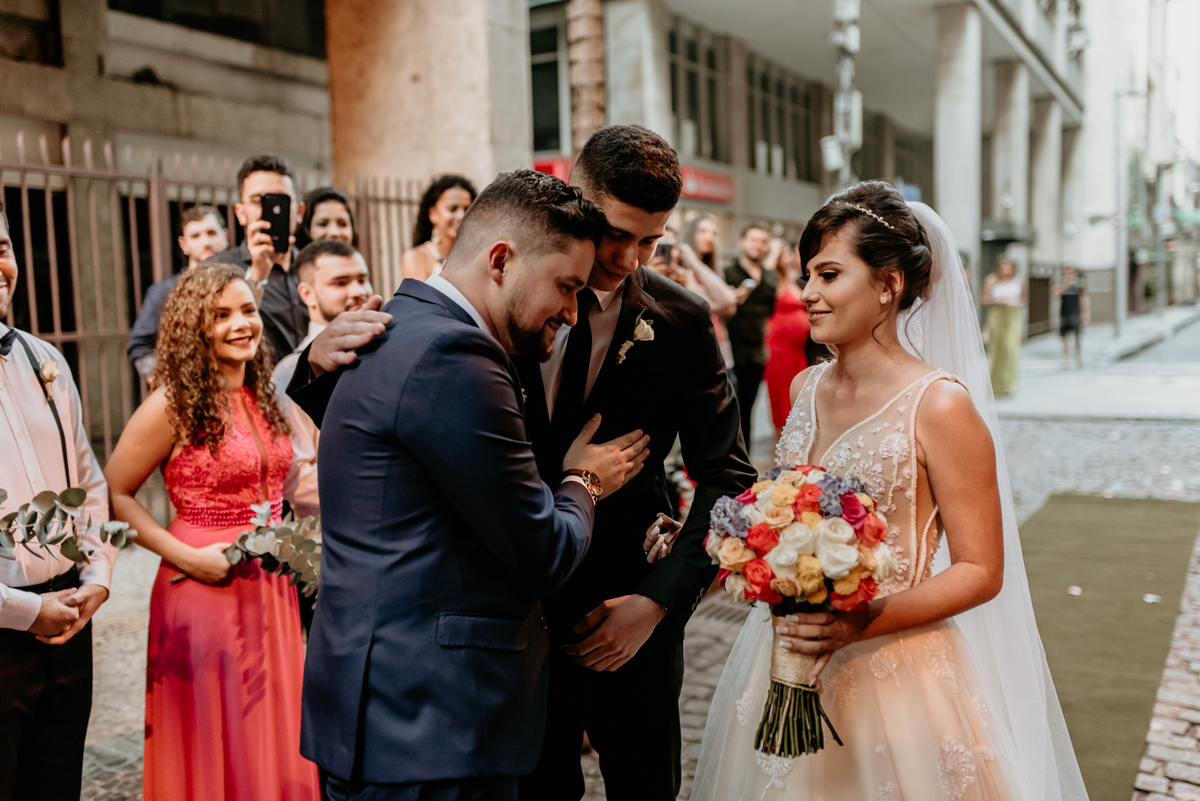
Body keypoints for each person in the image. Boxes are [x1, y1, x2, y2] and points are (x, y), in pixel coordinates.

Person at [287, 127, 757, 801]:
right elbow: (389, 415)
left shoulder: (680, 320)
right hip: (509, 623)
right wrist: (315, 361)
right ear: (576, 197)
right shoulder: (494, 304)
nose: (627, 258)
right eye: (615, 233)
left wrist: (656, 604)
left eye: (650, 241)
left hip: (630, 618)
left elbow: (728, 476)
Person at [691, 182, 1088, 801]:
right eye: (806, 275)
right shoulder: (803, 390)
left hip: (897, 669)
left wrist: (859, 624)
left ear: (887, 284)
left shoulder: (940, 405)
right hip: (784, 659)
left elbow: (982, 570)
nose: (809, 294)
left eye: (828, 274)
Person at [105, 262, 319, 800]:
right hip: (201, 581)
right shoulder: (171, 404)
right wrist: (184, 556)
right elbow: (113, 491)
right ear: (194, 327)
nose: (240, 324)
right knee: (215, 729)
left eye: (247, 311)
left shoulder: (264, 395)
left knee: (272, 724)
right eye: (221, 315)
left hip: (270, 586)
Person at [0, 200, 118, 801]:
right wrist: (23, 611)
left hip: (70, 624)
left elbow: (89, 484)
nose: (0, 267)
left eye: (1, 248)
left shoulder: (46, 361)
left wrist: (97, 576)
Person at [273, 239, 371, 522]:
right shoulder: (291, 370)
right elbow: (293, 476)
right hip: (324, 537)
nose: (358, 291)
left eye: (362, 279)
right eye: (340, 283)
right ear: (307, 293)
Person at [209, 154, 307, 362]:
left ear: (299, 211)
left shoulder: (314, 266)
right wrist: (257, 273)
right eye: (257, 201)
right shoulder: (214, 269)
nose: (268, 211)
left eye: (280, 200)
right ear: (240, 213)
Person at [126, 205, 229, 377]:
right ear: (183, 244)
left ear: (225, 237)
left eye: (211, 233)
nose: (206, 242)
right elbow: (141, 347)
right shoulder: (164, 292)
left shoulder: (242, 286)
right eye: (196, 236)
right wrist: (167, 385)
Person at [724, 223, 778, 444]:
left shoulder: (769, 276)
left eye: (763, 241)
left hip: (756, 352)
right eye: (753, 240)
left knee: (749, 411)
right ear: (742, 242)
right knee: (732, 412)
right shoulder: (728, 273)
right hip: (731, 351)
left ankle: (747, 464)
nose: (758, 245)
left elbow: (770, 311)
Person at [763, 238, 810, 445]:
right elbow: (762, 282)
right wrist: (773, 253)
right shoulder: (772, 280)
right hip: (779, 349)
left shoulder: (794, 280)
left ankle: (798, 448)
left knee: (799, 401)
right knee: (782, 403)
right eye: (782, 254)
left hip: (797, 350)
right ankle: (781, 451)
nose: (787, 256)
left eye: (788, 253)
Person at [645, 225, 737, 317]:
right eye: (660, 247)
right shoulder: (639, 277)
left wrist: (694, 264)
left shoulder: (682, 277)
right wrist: (647, 277)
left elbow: (725, 302)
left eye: (672, 247)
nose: (670, 253)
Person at [401, 174, 477, 281]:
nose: (461, 216)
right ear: (433, 214)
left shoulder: (477, 258)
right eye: (452, 209)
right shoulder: (415, 257)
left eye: (467, 209)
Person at [982, 257, 1025, 397]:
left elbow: (1024, 299)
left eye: (1008, 266)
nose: (1005, 269)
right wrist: (998, 300)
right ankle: (996, 385)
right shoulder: (991, 279)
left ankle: (1010, 384)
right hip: (996, 313)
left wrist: (1017, 303)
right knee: (996, 349)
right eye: (1003, 266)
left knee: (1011, 348)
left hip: (1013, 315)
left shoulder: (1018, 281)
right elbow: (984, 299)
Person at [1053, 266, 1089, 369]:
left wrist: (1085, 314)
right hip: (1064, 314)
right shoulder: (1061, 285)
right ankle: (1066, 360)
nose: (1069, 275)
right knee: (1064, 339)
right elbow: (1055, 295)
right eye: (1067, 273)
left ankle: (1078, 357)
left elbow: (1084, 299)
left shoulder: (1078, 285)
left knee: (1077, 337)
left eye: (1071, 273)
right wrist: (1066, 284)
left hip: (1075, 314)